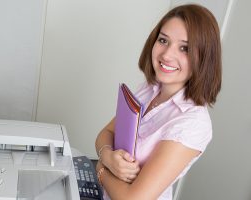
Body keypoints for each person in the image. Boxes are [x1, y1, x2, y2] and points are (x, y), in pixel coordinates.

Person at [95, 4, 221, 200]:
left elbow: (132, 199)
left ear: (204, 57)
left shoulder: (193, 123)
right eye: (163, 40)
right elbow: (107, 133)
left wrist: (101, 168)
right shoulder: (148, 89)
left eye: (184, 48)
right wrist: (107, 156)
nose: (167, 55)